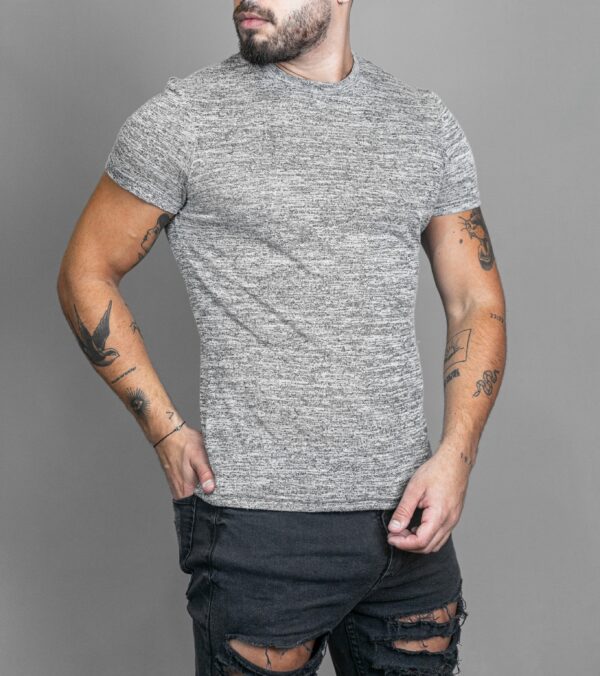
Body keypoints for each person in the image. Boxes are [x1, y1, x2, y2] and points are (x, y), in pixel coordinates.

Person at [56, 1, 507, 673]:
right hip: (258, 529)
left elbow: (475, 302)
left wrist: (456, 458)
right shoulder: (184, 120)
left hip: (412, 523)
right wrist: (165, 429)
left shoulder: (421, 123)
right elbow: (85, 272)